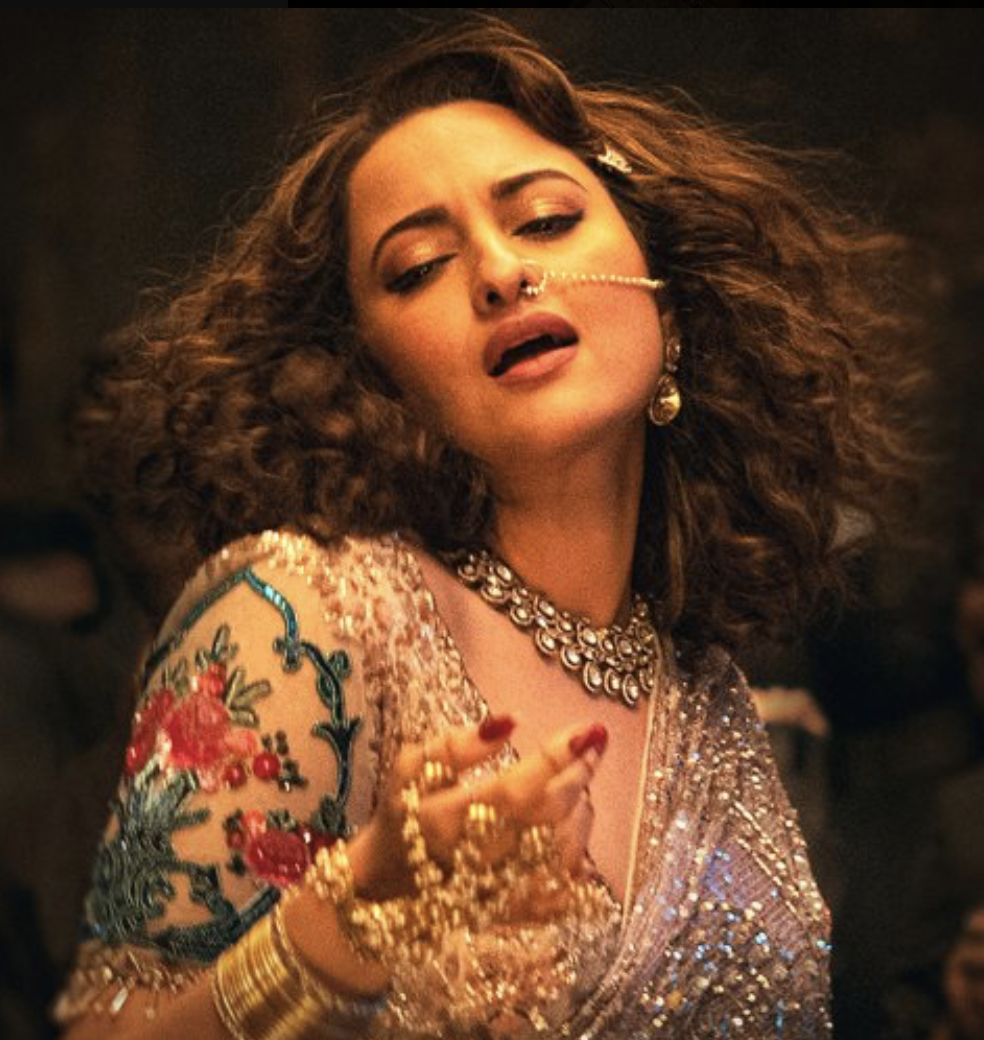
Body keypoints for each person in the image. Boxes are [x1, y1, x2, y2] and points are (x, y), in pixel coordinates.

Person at [53, 14, 931, 1039]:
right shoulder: (303, 618)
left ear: (669, 298)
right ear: (373, 375)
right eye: (418, 266)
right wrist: (341, 927)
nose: (502, 272)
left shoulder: (708, 692)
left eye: (546, 220)